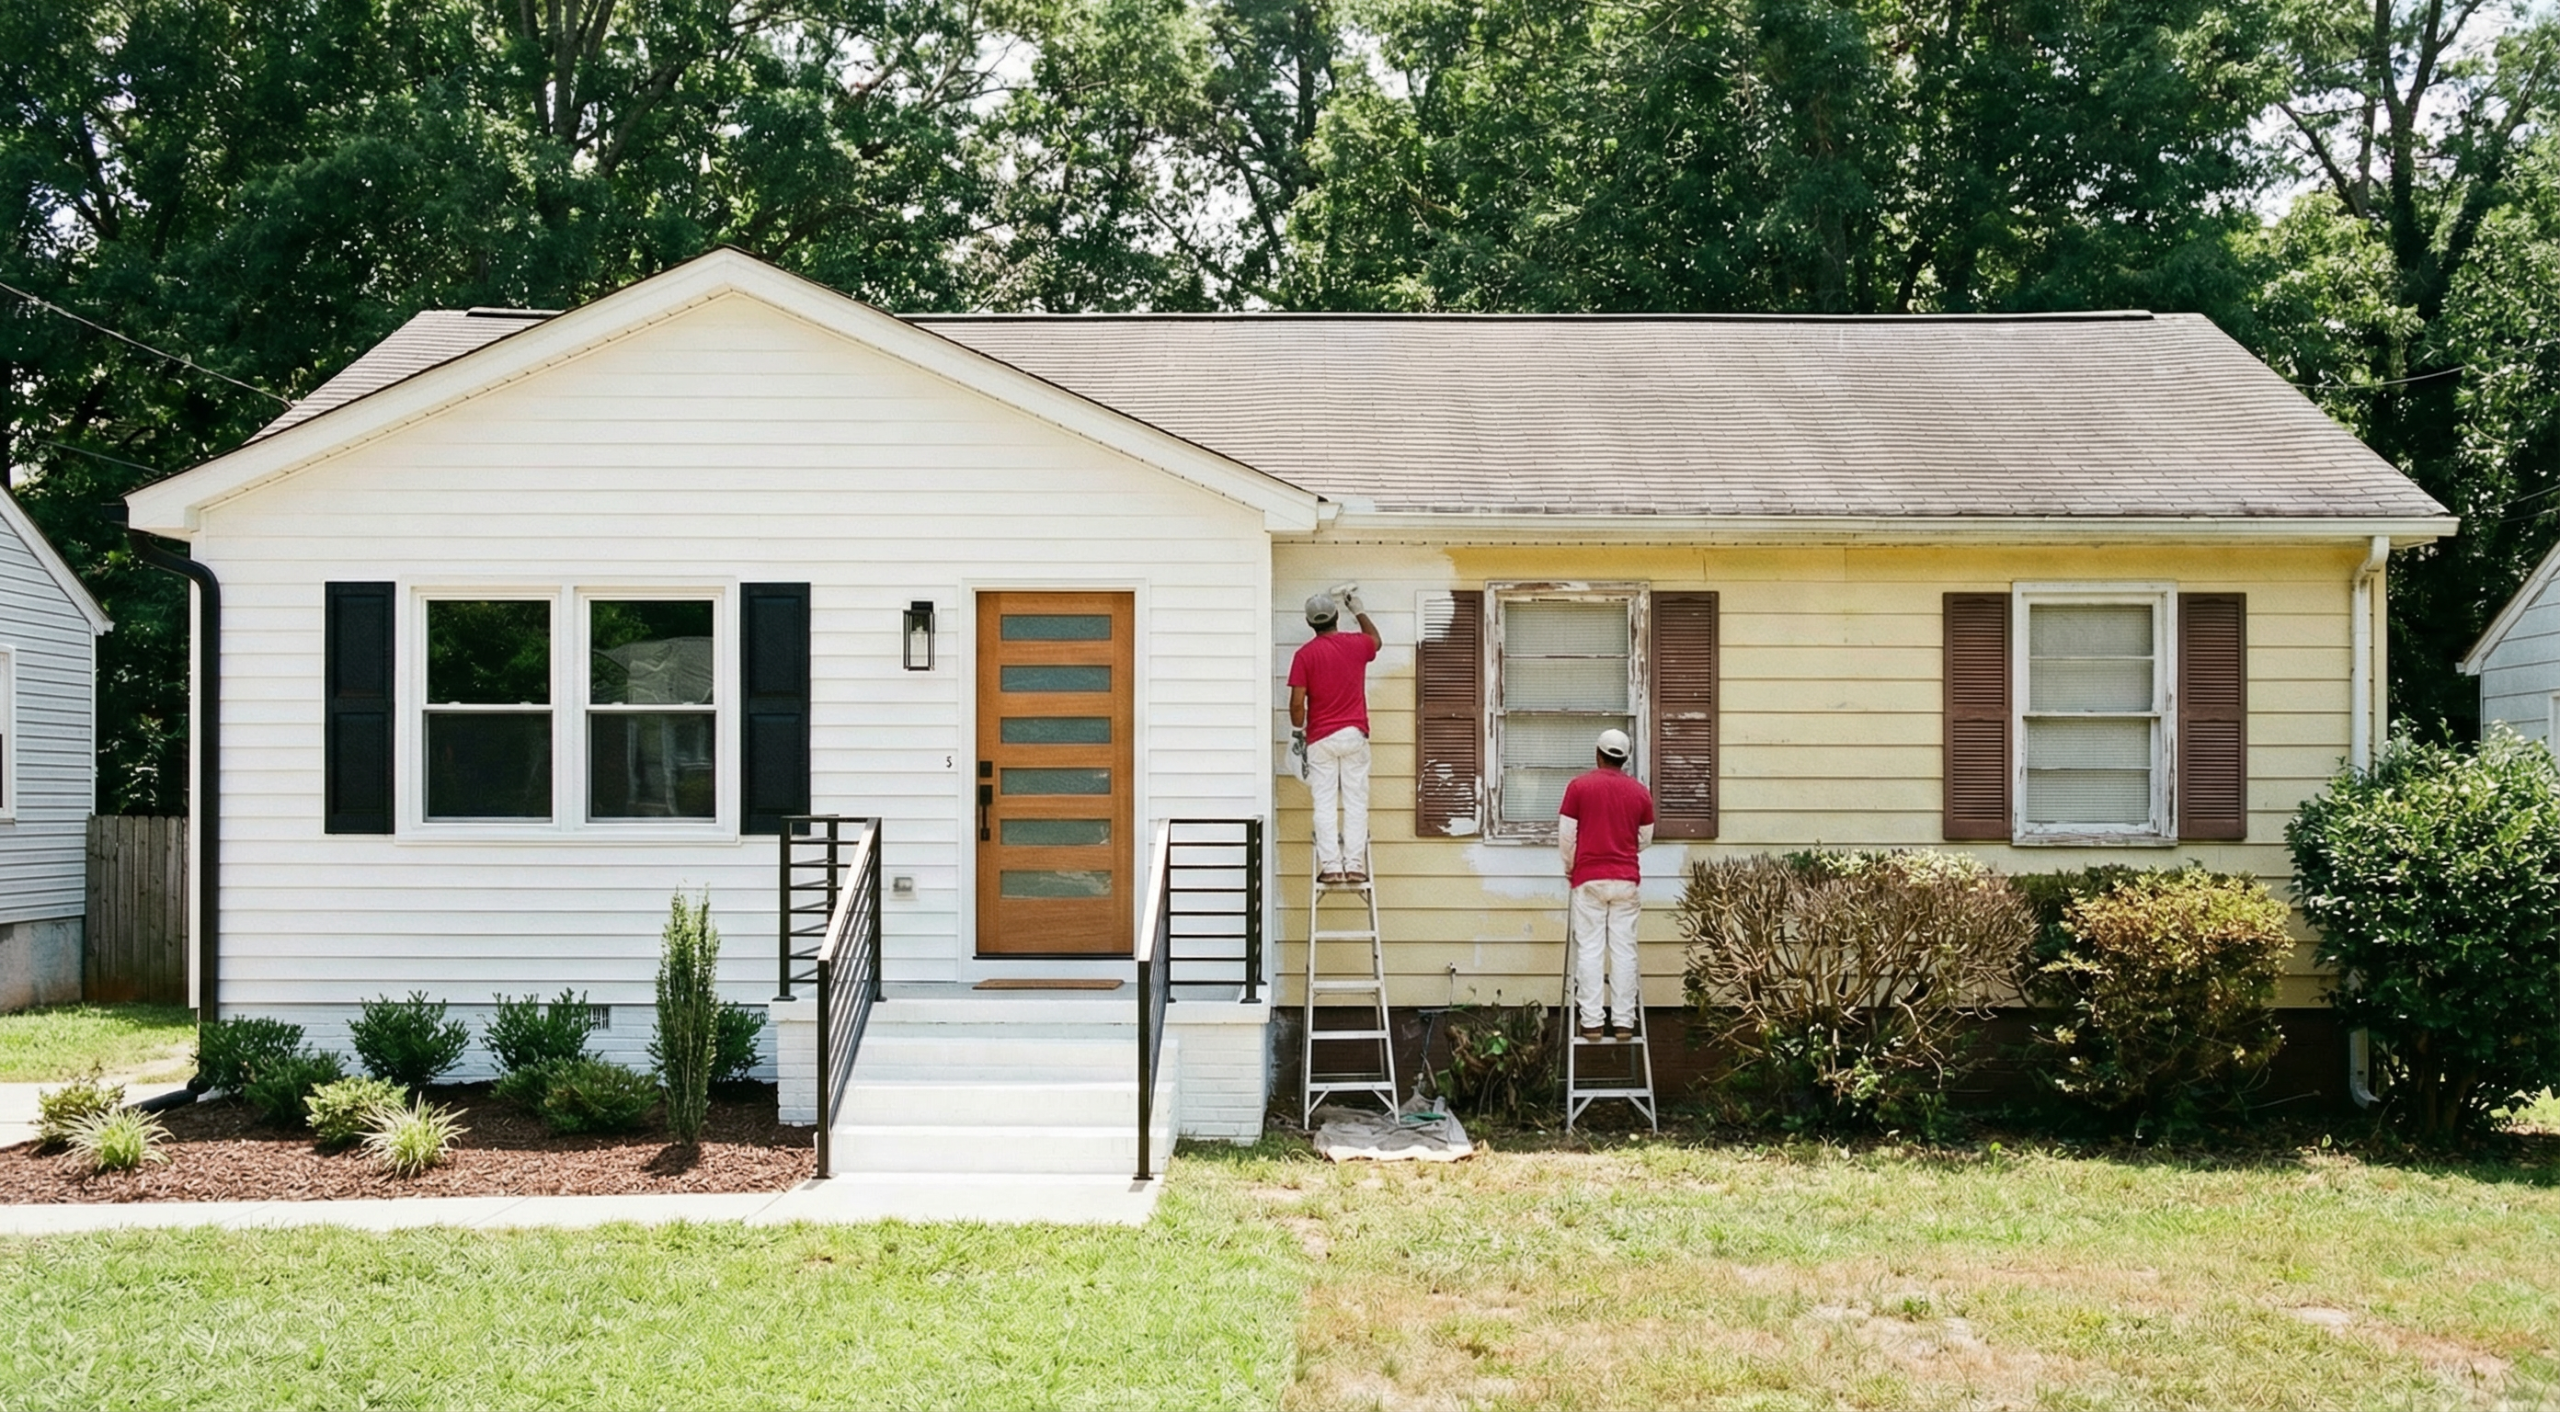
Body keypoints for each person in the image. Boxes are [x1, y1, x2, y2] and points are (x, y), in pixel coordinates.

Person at [1558, 728, 1655, 1040]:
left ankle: (1592, 1022)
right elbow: (1645, 838)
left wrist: (1572, 868)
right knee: (1624, 949)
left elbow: (1566, 837)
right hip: (1626, 879)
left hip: (1589, 877)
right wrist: (1622, 850)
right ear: (1624, 759)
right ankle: (1625, 1021)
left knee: (1590, 948)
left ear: (1598, 754)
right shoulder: (1640, 792)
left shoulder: (1578, 787)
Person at [1288, 585, 1382, 886]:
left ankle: (1330, 867)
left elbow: (1297, 703)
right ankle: (1354, 865)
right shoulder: (1356, 645)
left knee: (1324, 802)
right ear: (1336, 616)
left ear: (1309, 623)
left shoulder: (1304, 655)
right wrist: (1359, 610)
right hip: (1354, 734)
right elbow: (1376, 642)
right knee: (1356, 800)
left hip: (1320, 739)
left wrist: (1297, 733)